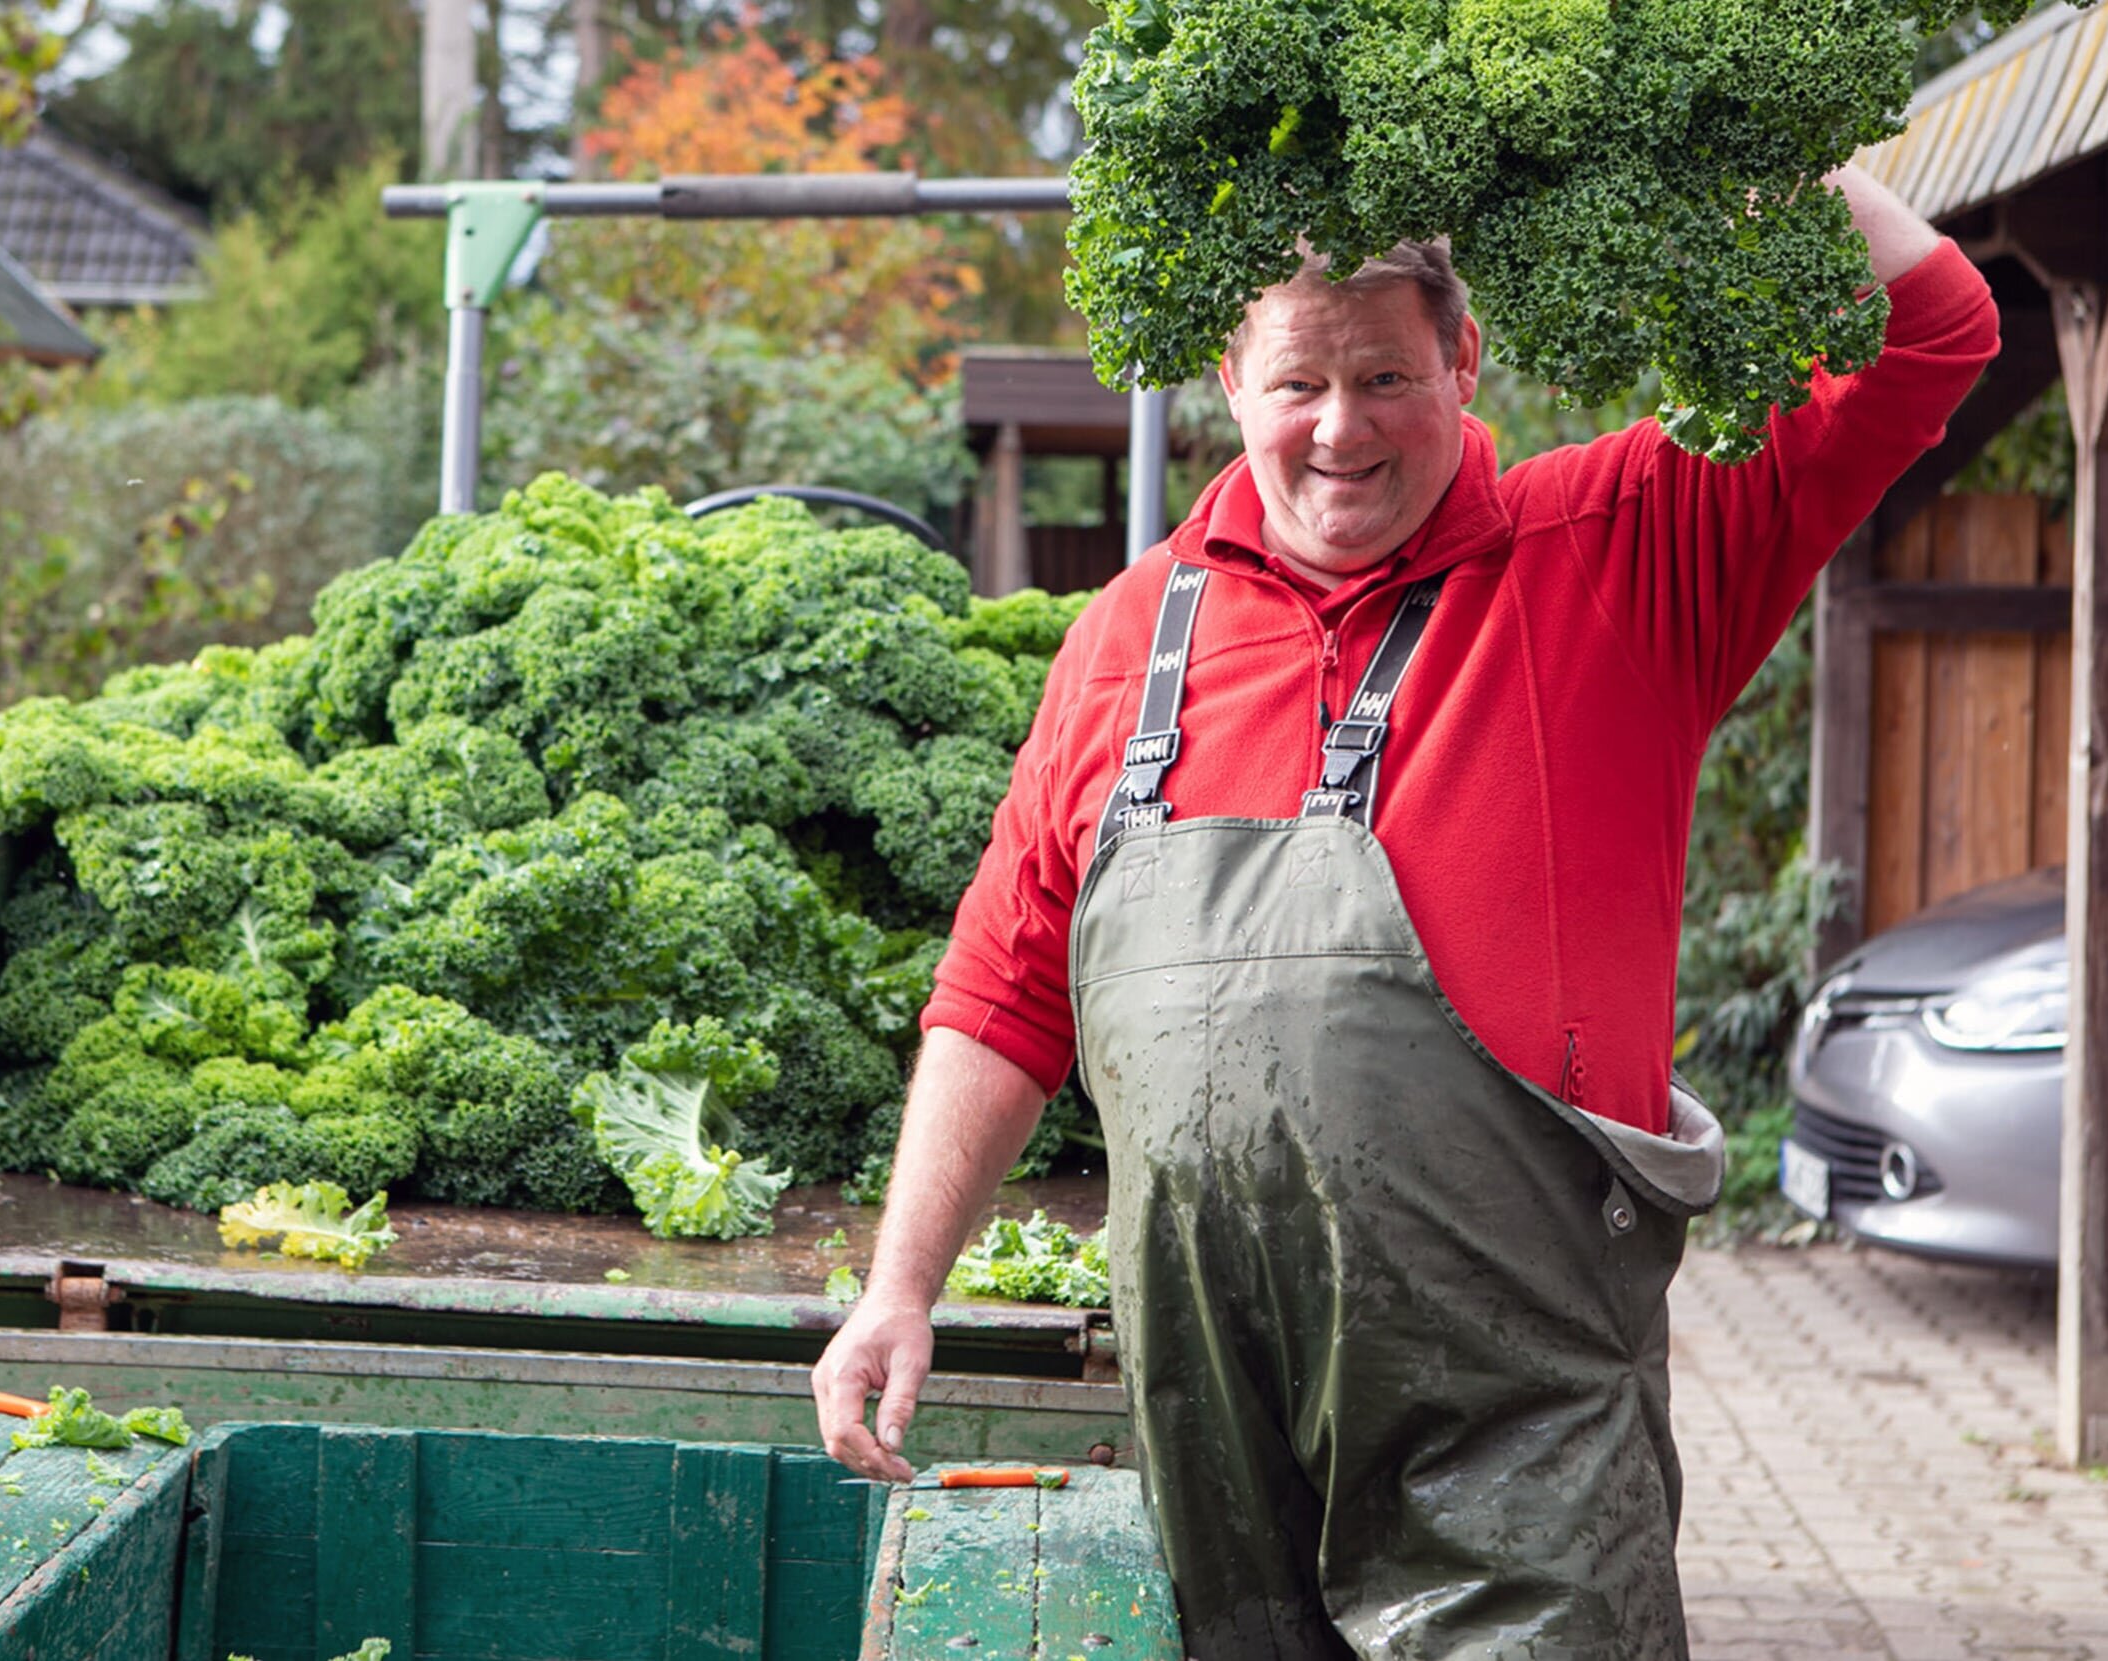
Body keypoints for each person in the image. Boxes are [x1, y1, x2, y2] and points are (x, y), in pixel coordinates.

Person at [811, 164, 1998, 1658]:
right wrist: (897, 1287)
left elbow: (1932, 330)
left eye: (1384, 375)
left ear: (1463, 361)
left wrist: (1711, 131)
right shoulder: (1127, 634)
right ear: (1229, 376)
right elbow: (1003, 989)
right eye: (1296, 377)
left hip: (1519, 1430)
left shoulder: (1623, 550)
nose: (1337, 426)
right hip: (1215, 1420)